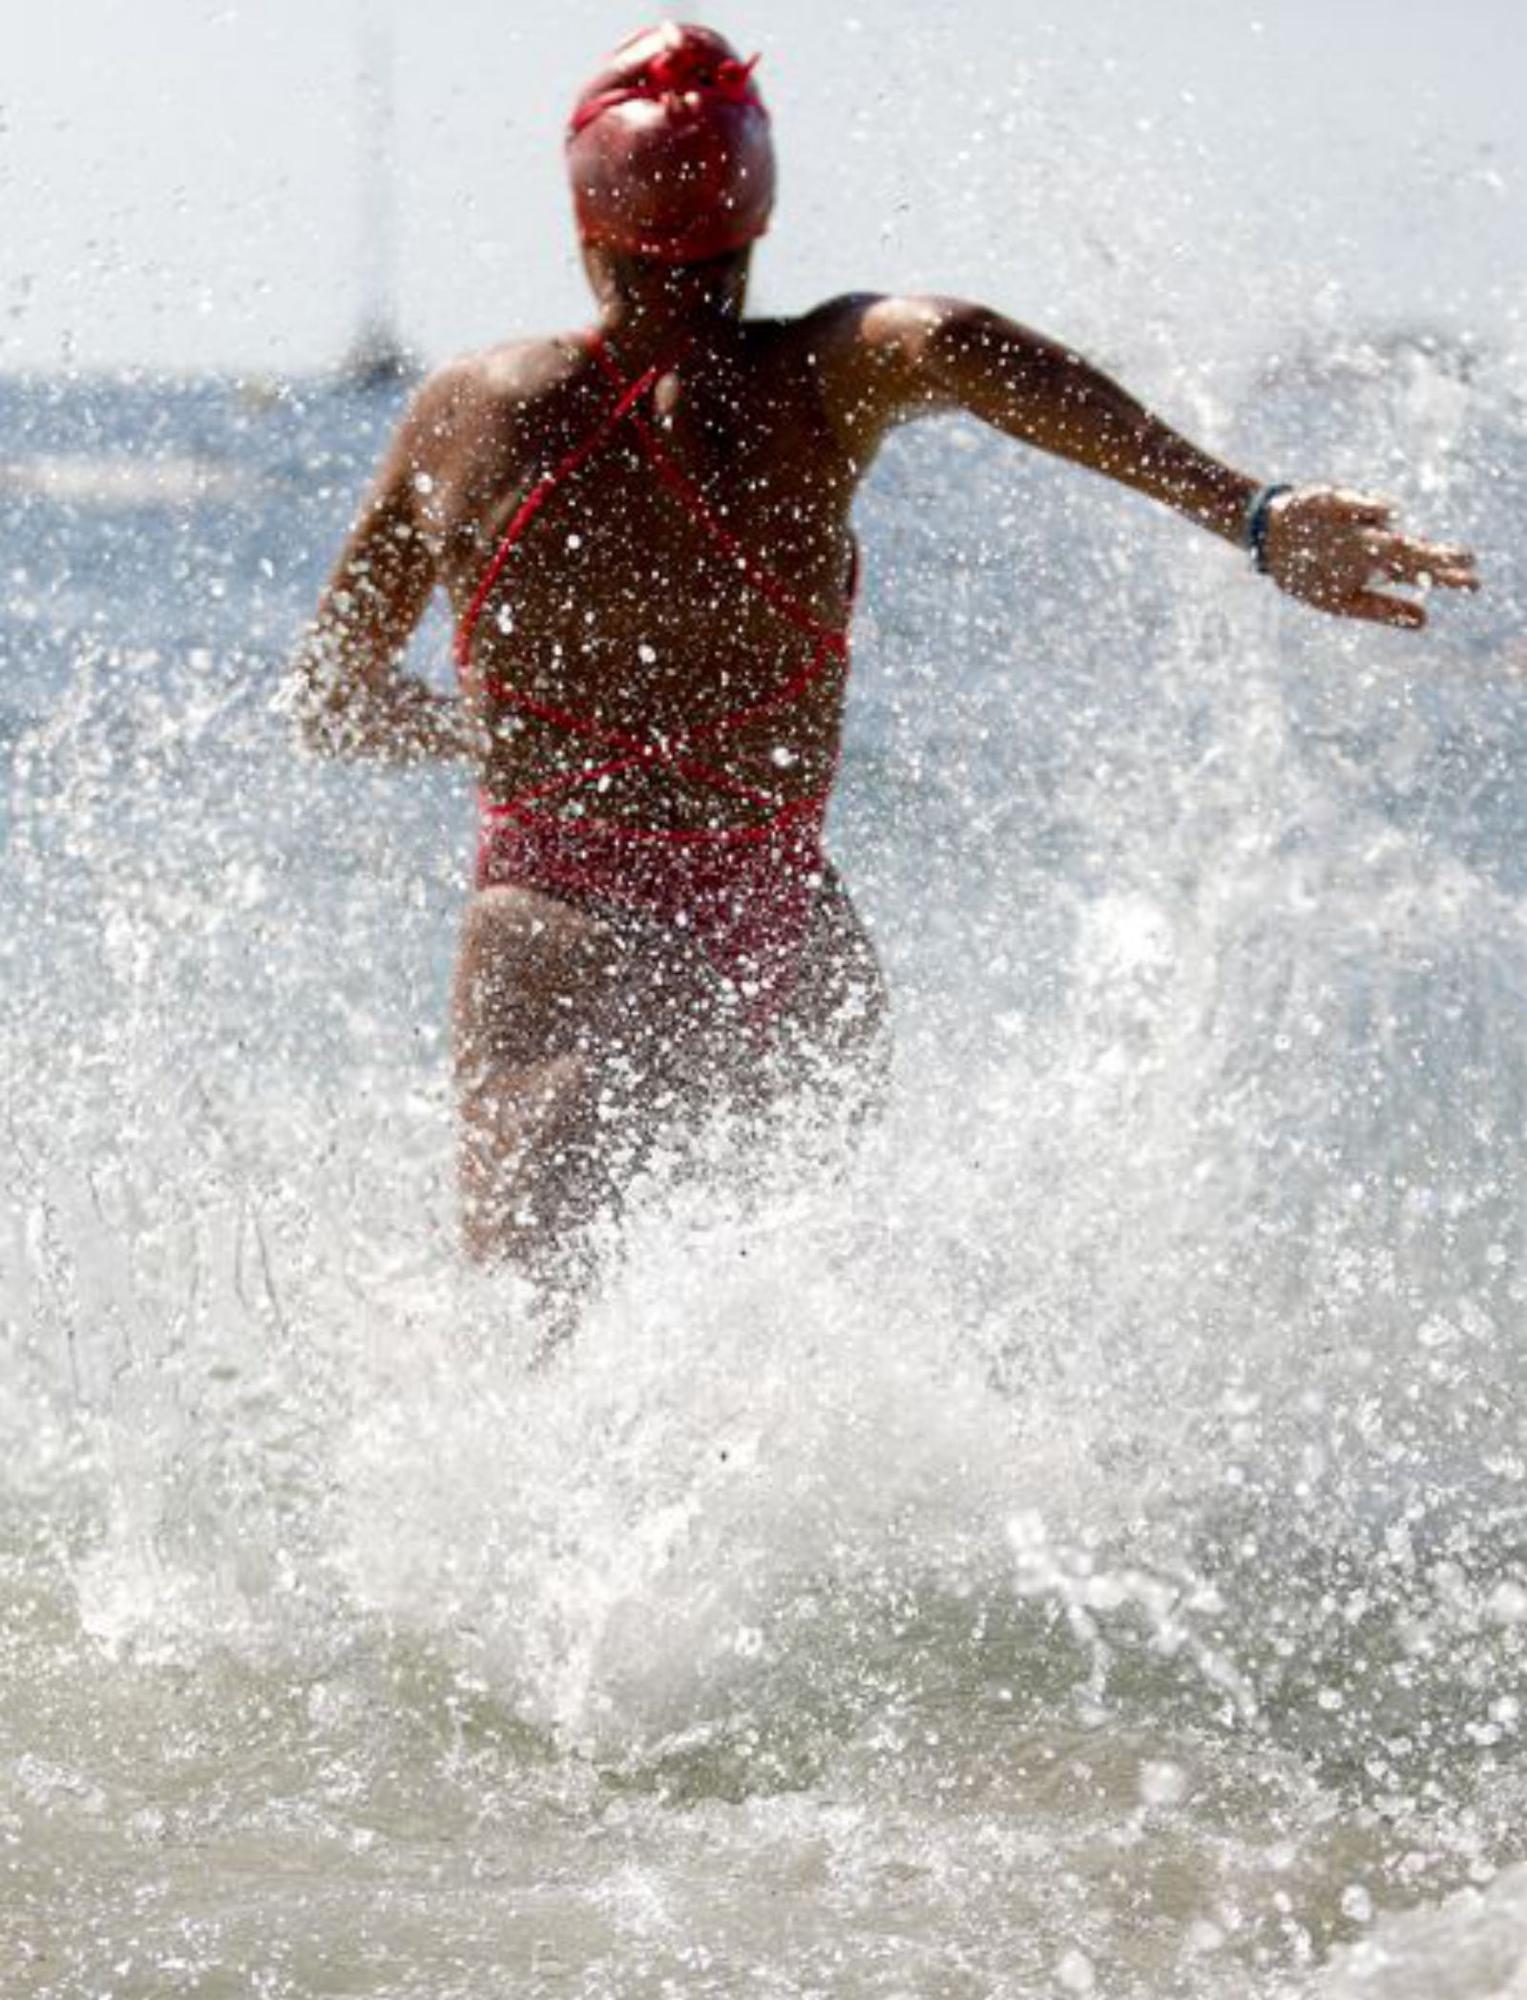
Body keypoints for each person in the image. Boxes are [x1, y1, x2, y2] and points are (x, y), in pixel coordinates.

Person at [292, 20, 1478, 1316]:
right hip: (796, 933)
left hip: (563, 932)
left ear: (585, 227)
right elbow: (960, 340)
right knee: (783, 1347)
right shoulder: (815, 388)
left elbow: (333, 699)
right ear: (756, 229)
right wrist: (1251, 513)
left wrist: (501, 737)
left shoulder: (471, 413)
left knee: (535, 1352)